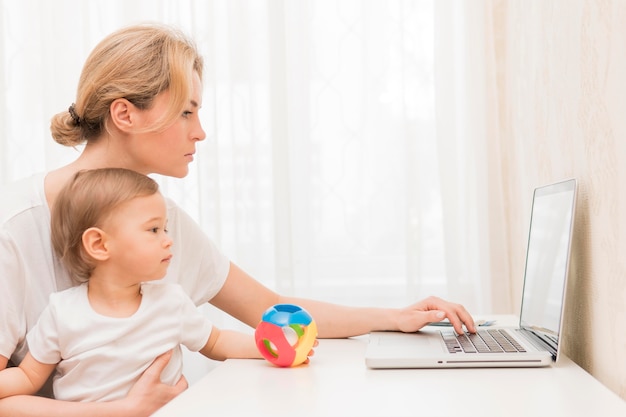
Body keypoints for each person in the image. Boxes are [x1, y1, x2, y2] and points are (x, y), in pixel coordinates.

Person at [0, 23, 475, 417]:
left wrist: (394, 317)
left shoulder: (166, 226)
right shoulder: (15, 227)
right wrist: (123, 410)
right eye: (186, 112)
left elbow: (269, 306)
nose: (200, 132)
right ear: (124, 113)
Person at [0, 167, 262, 402]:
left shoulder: (171, 302)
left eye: (165, 229)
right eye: (153, 230)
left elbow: (216, 342)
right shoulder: (61, 313)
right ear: (99, 244)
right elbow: (27, 376)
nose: (168, 240)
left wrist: (272, 347)